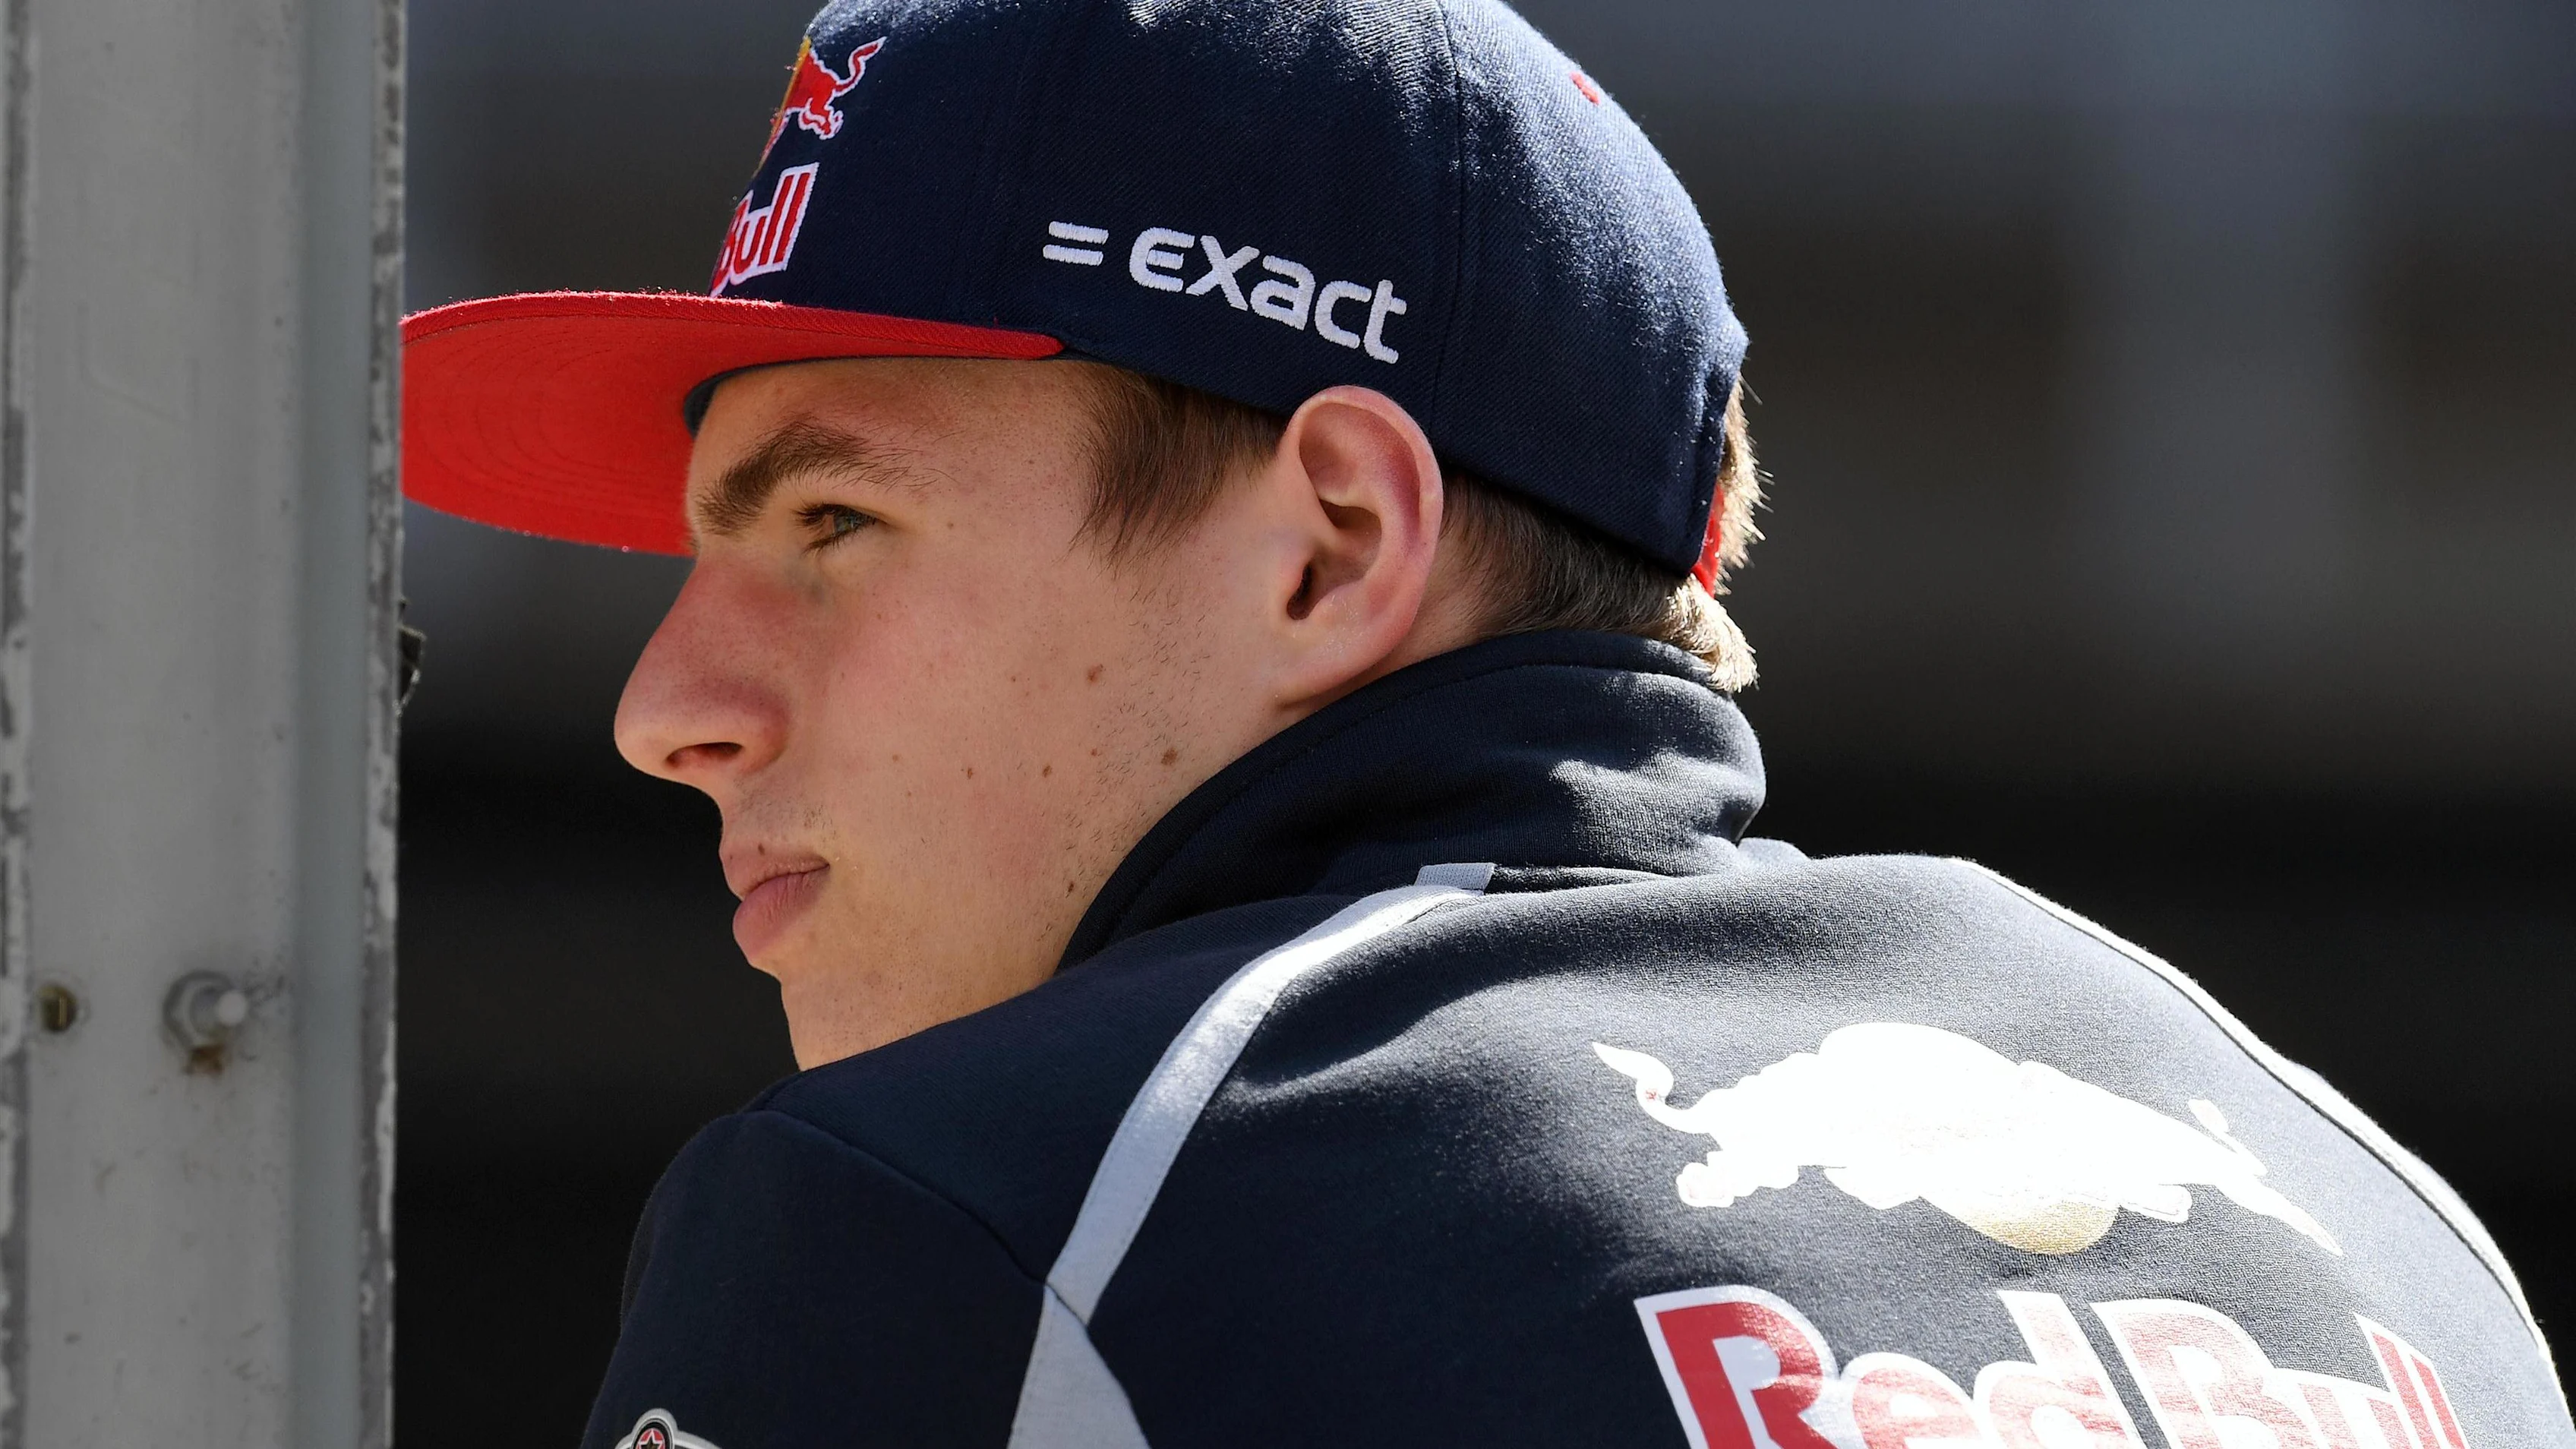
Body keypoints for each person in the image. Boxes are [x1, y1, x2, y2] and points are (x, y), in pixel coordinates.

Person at [402, 2, 2571, 1446]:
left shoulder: (967, 1219)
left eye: (834, 522)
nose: (665, 704)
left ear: (1337, 542)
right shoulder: (2392, 1243)